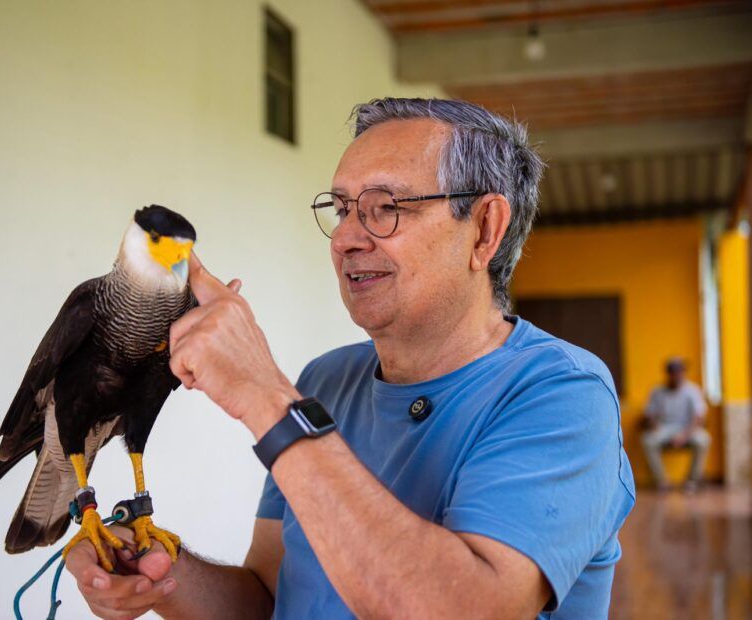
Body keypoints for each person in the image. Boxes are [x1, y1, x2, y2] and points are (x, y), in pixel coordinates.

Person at [65, 98, 636, 619]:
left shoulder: (564, 394)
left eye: (385, 207)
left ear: (485, 230)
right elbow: (271, 599)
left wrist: (267, 396)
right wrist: (161, 577)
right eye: (341, 210)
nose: (345, 239)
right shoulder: (328, 380)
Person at [640, 357, 710, 493]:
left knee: (704, 440)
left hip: (687, 429)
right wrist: (654, 425)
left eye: (679, 372)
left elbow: (699, 418)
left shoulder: (692, 390)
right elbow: (649, 414)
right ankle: (662, 481)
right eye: (673, 372)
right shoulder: (657, 391)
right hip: (664, 429)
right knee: (647, 440)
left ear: (684, 373)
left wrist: (684, 436)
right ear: (668, 373)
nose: (676, 375)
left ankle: (692, 481)